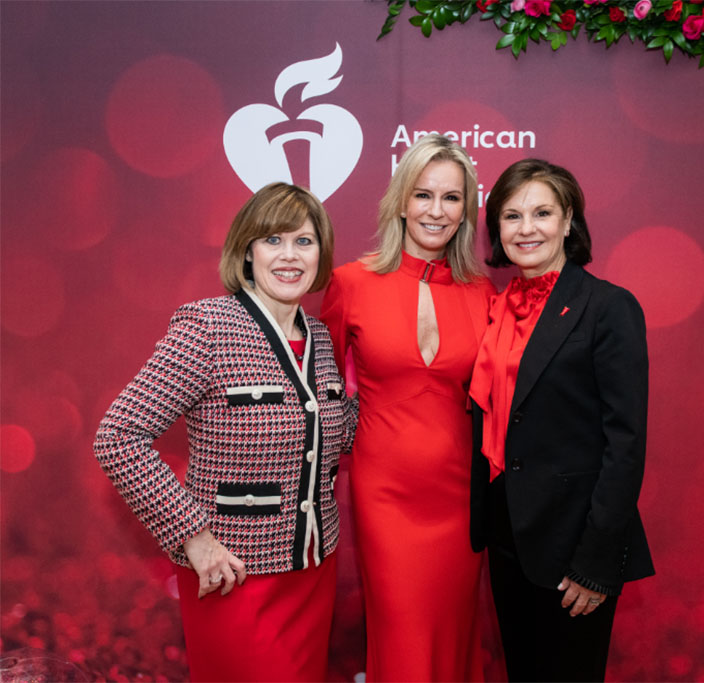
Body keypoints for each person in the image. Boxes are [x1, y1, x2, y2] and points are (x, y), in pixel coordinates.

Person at [94, 182, 357, 682]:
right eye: (273, 240)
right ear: (246, 251)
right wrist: (193, 537)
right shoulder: (208, 327)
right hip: (233, 575)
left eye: (304, 241)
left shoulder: (321, 337)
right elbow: (118, 437)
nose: (289, 255)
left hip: (312, 575)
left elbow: (337, 439)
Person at [469, 159, 655, 682]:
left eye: (542, 212)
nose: (526, 228)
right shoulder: (497, 309)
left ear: (569, 219)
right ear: (496, 229)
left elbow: (626, 443)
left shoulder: (608, 306)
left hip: (575, 543)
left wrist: (597, 561)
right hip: (508, 533)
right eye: (511, 216)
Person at [321, 134, 495, 681]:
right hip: (385, 492)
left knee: (451, 632)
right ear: (401, 199)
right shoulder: (351, 282)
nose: (436, 211)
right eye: (424, 195)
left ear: (467, 209)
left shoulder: (483, 292)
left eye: (451, 198)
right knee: (401, 634)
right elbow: (318, 388)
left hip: (459, 495)